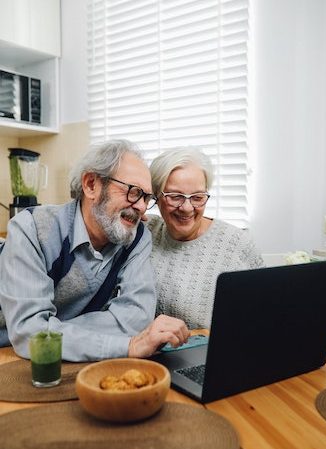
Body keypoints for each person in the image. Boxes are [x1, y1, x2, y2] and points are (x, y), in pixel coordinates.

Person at [0, 139, 189, 361]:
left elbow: (137, 318)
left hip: (57, 358)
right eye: (133, 191)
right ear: (91, 185)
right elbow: (28, 334)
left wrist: (51, 330)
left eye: (146, 197)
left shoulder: (137, 237)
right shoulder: (31, 228)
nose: (140, 206)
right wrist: (125, 345)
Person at [147, 146, 264, 329]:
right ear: (156, 196)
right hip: (148, 353)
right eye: (175, 196)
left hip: (212, 352)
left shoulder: (237, 244)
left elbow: (263, 313)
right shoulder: (145, 232)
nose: (186, 207)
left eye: (197, 197)